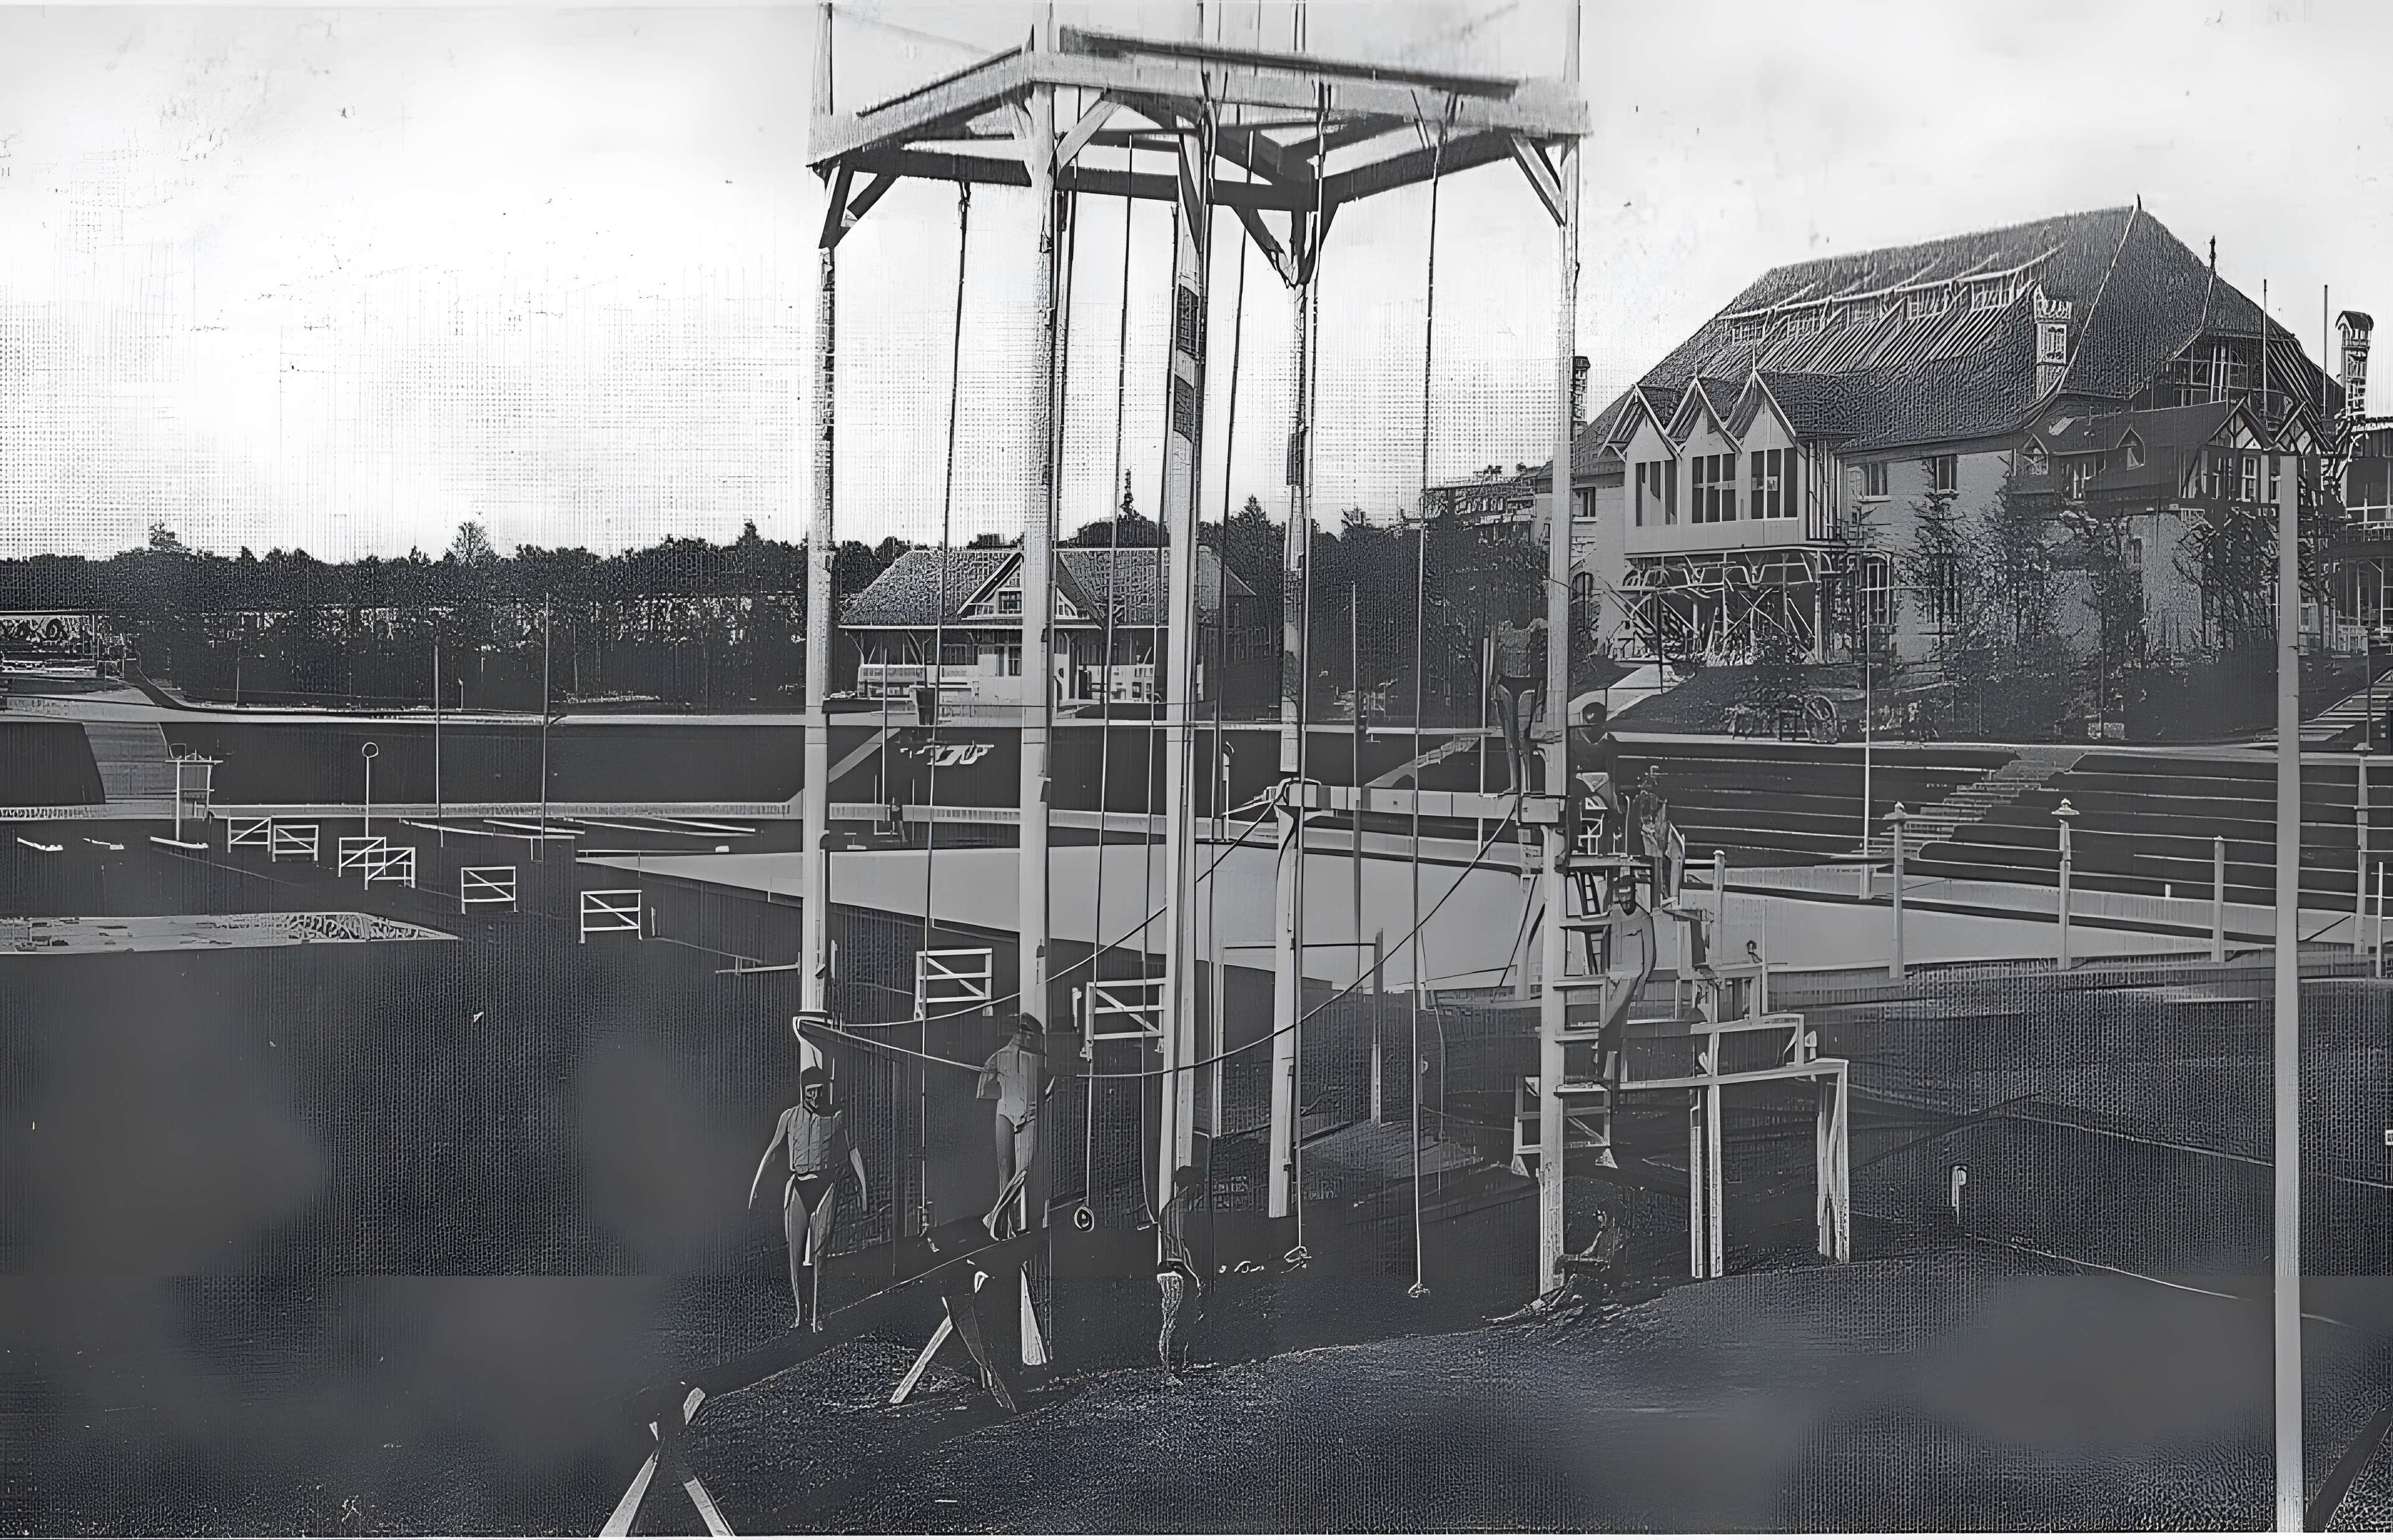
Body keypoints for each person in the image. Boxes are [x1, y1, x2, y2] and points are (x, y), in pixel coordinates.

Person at [748, 1065, 868, 1333]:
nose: (815, 1097)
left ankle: (817, 1316)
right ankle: (799, 1314)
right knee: (794, 1253)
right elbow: (772, 1151)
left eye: (819, 1092)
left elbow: (853, 1151)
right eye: (810, 1092)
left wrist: (864, 1188)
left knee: (820, 1256)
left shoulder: (837, 1117)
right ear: (803, 1091)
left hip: (826, 1187)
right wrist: (756, 1186)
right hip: (799, 1187)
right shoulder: (789, 1118)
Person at [977, 1014, 1051, 1240]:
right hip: (1005, 1114)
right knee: (1005, 1174)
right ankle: (1004, 1226)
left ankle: (994, 1217)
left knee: (1023, 1172)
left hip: (1029, 1115)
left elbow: (1046, 1090)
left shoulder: (1040, 1060)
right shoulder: (998, 1058)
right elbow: (983, 1090)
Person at [1156, 1163, 1211, 1381]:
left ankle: (1171, 1366)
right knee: (1179, 1319)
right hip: (1178, 1271)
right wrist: (1196, 1277)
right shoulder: (1180, 1211)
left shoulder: (1168, 1209)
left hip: (1170, 1270)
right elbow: (1183, 1248)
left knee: (1171, 1319)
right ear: (1192, 1187)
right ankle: (1173, 1368)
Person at [1489, 614, 1547, 796]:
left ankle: (1528, 785)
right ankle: (1516, 784)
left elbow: (1547, 658)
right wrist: (1493, 685)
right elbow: (1493, 656)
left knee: (1524, 737)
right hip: (1506, 682)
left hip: (1529, 682)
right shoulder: (1500, 624)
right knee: (1511, 738)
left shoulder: (1540, 625)